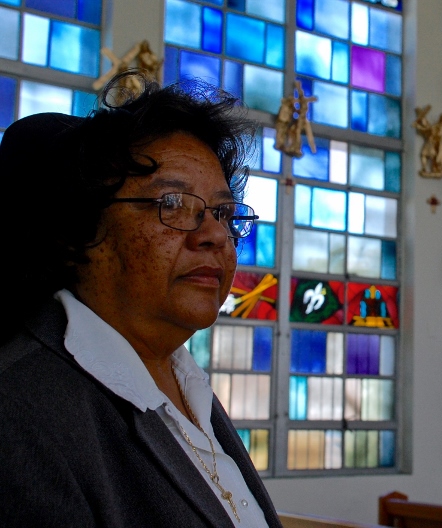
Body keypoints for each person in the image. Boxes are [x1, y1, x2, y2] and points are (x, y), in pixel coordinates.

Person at [0, 70, 282, 527]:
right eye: (172, 203)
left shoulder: (182, 379)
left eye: (224, 213)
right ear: (80, 228)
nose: (214, 235)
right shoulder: (21, 412)